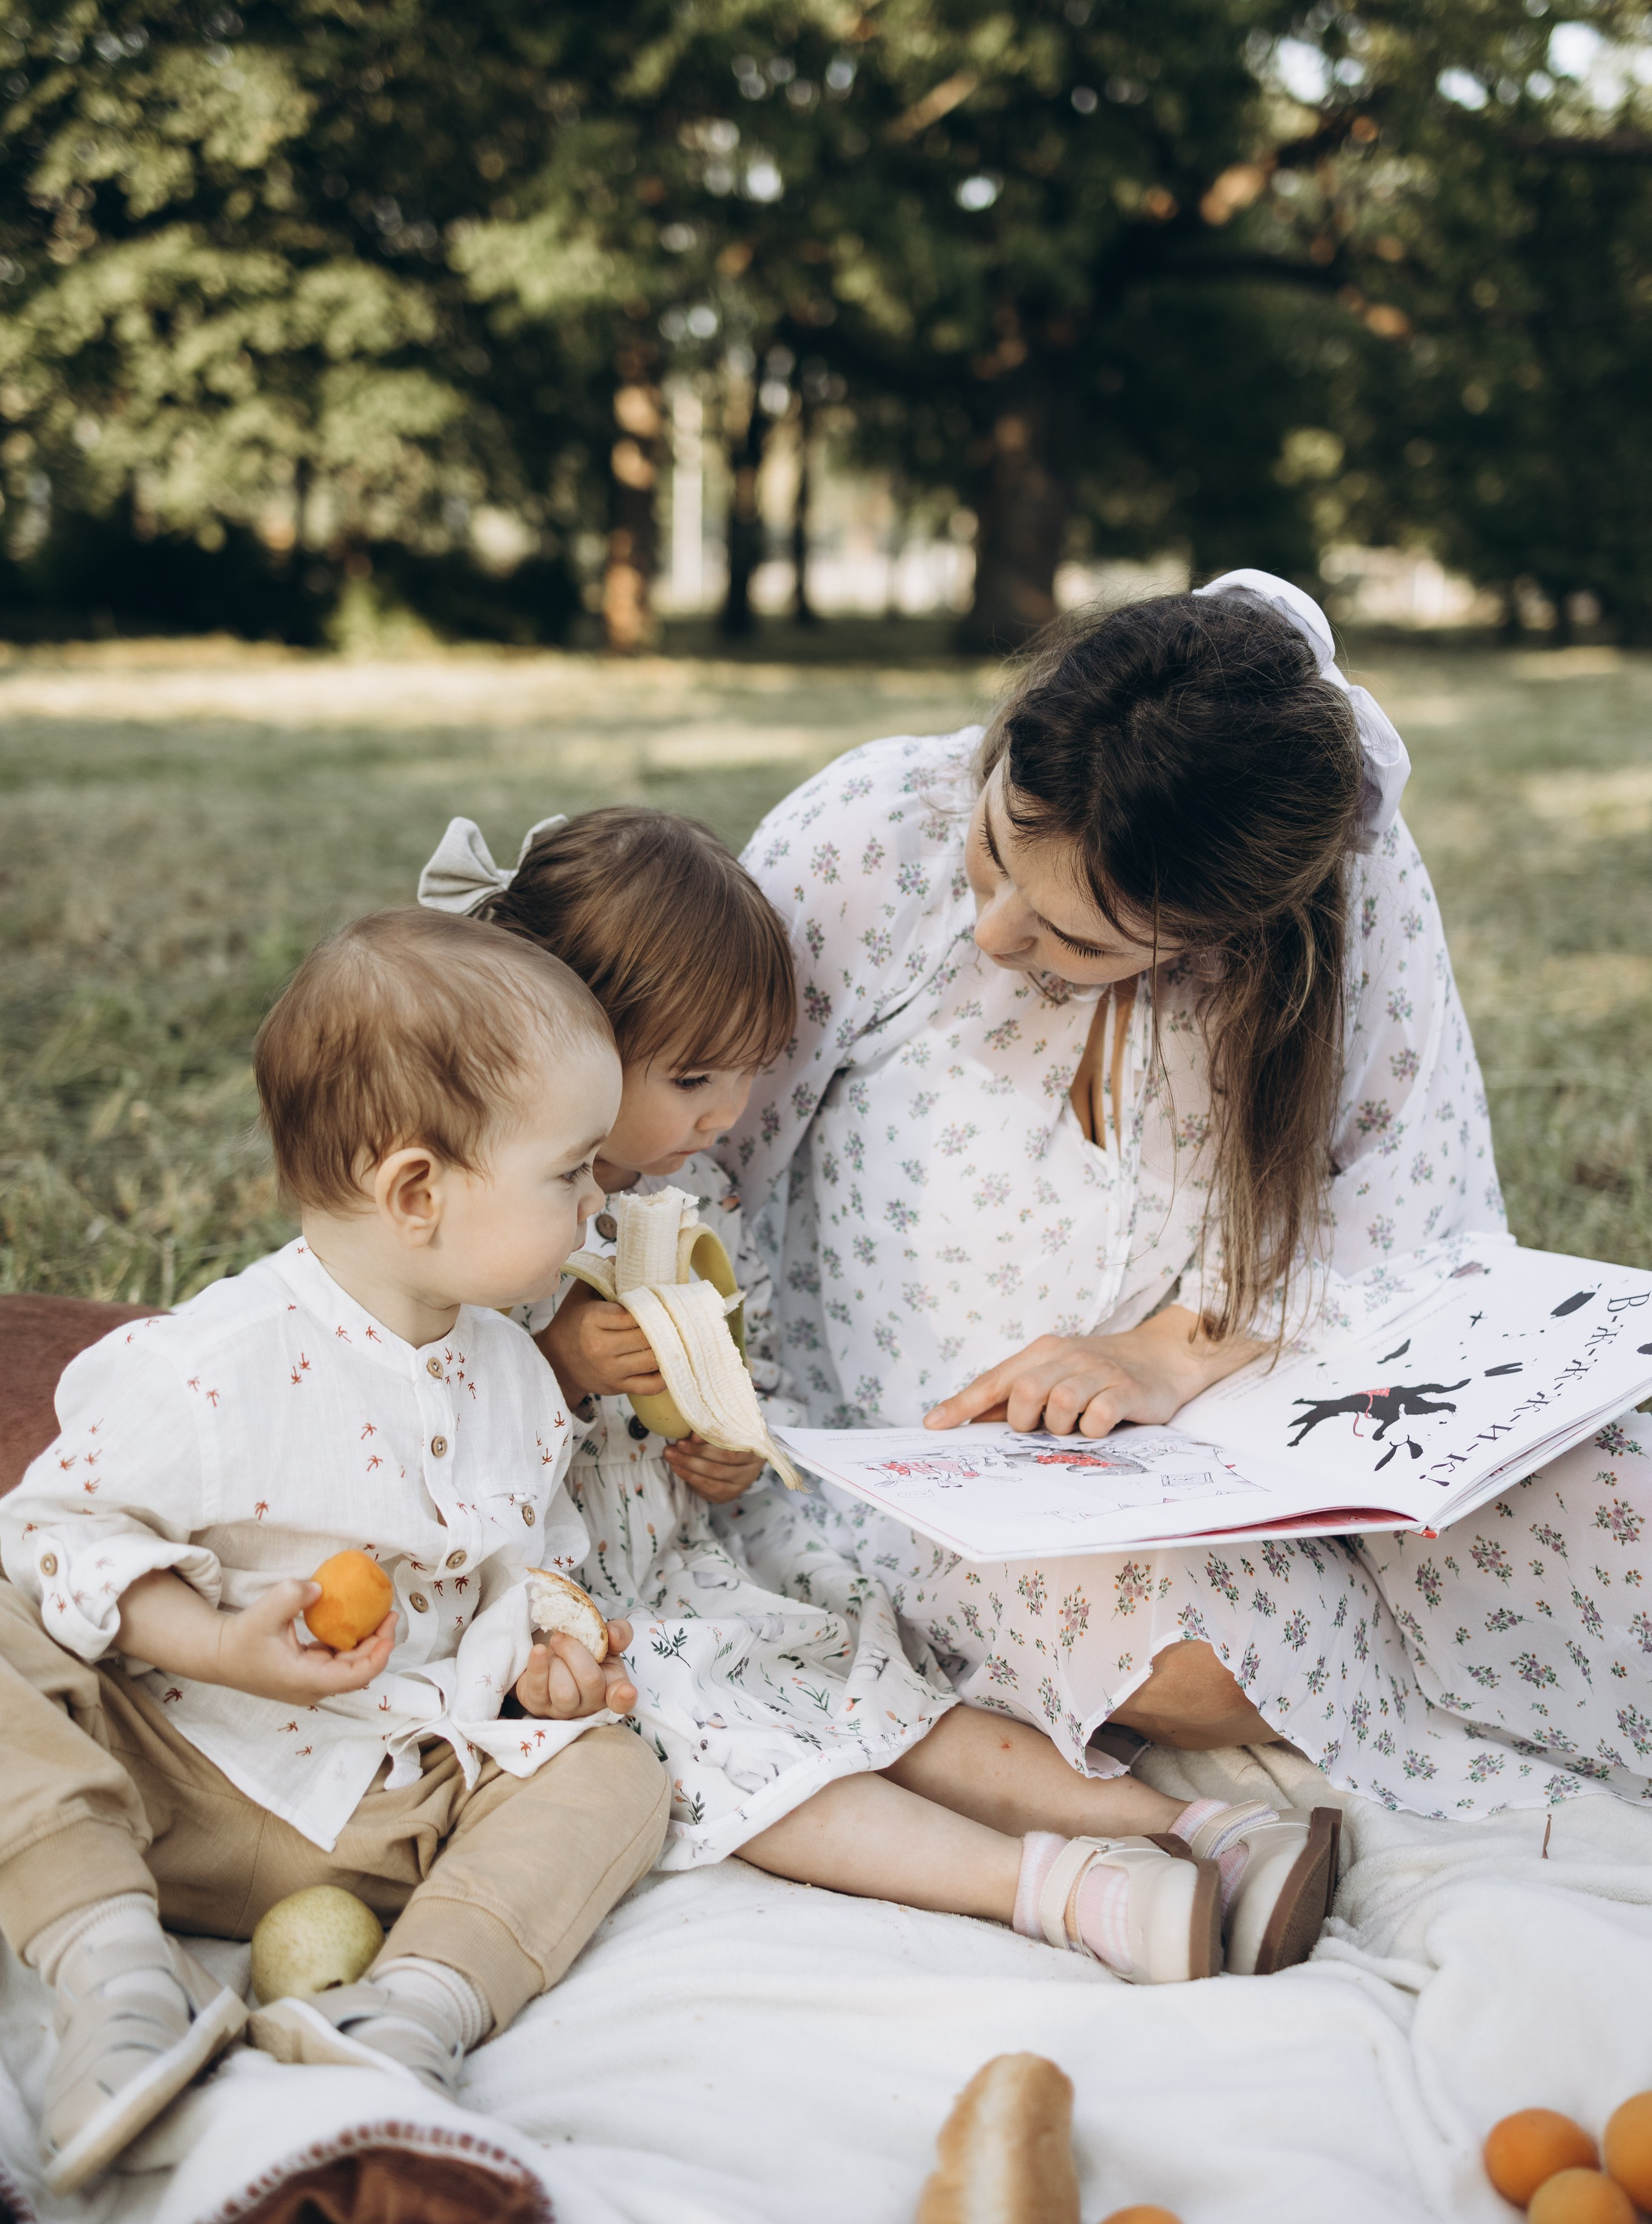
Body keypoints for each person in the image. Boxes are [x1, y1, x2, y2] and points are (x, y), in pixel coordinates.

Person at [729, 571, 1652, 1817]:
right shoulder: (870, 834)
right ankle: (1398, 1666)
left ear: (1229, 932)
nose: (997, 932)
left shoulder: (1341, 889)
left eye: (1080, 941)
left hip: (1267, 1406)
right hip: (949, 1471)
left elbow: (1412, 1217)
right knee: (1207, 1663)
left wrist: (1173, 1352)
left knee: (1623, 1512)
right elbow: (699, 1143)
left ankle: (1423, 1638)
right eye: (995, 847)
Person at [414, 811, 1342, 2000]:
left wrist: (722, 1443)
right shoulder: (484, 1213)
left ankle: (1193, 1831)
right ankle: (1065, 1889)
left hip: (685, 1565)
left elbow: (718, 1376)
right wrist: (559, 1362)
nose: (726, 1113)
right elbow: (424, 1412)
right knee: (732, 1748)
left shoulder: (689, 1196)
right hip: (562, 1607)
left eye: (745, 1074)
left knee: (871, 1685)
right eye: (693, 1080)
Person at [0, 910, 669, 2195]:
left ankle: (410, 2011)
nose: (599, 1205)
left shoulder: (513, 1378)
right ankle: (112, 1969)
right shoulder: (213, 1369)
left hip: (393, 1807)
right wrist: (209, 1638)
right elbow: (50, 1532)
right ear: (417, 1192)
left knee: (617, 1769)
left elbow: (527, 1562)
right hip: (168, 1770)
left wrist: (550, 1656)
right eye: (572, 1174)